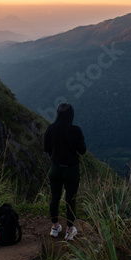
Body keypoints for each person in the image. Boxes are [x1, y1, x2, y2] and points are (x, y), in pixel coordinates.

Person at [43, 103, 86, 240]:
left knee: (55, 197)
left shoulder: (50, 128)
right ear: (71, 115)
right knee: (70, 200)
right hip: (71, 170)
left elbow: (46, 149)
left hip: (55, 168)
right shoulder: (76, 130)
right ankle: (69, 230)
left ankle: (55, 227)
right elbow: (82, 151)